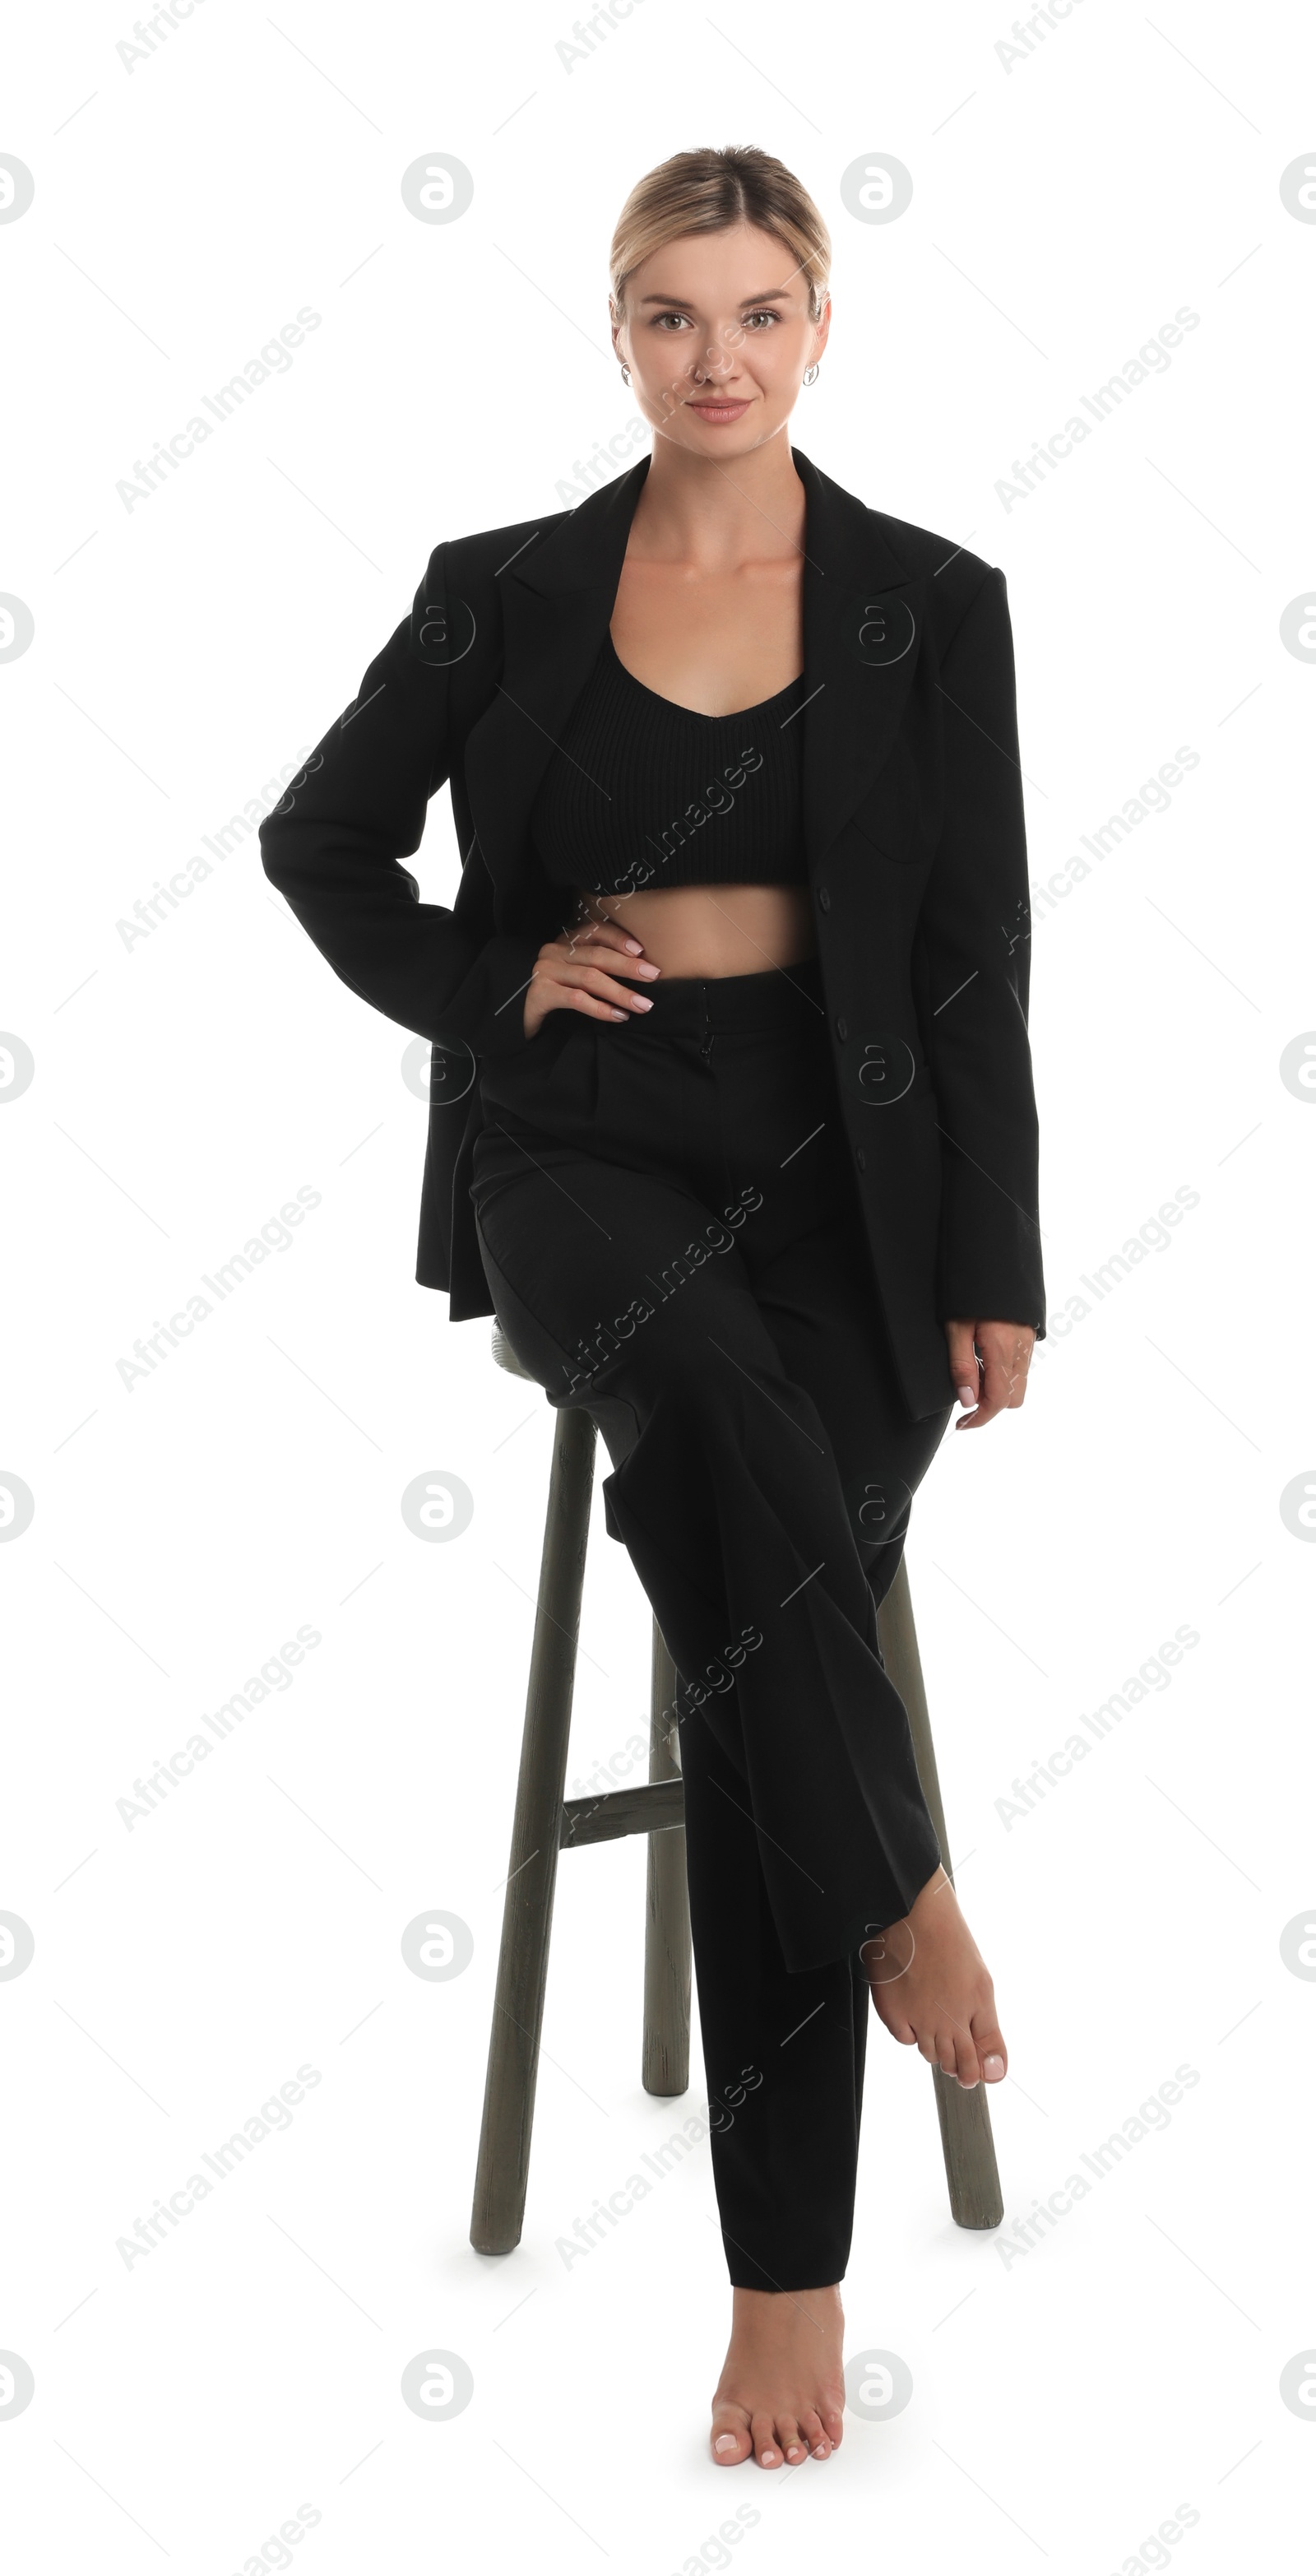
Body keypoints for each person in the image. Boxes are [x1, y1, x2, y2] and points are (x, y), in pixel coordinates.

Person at [259, 143, 1045, 2476]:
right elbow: (320, 844)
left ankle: (785, 2262)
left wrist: (993, 1256)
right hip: (578, 1138)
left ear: (821, 328)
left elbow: (976, 955)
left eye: (762, 313)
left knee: (745, 1598)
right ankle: (900, 1894)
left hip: (852, 1176)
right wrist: (494, 979)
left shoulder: (930, 600)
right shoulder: (492, 592)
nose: (720, 357)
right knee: (705, 1412)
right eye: (674, 316)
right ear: (621, 334)